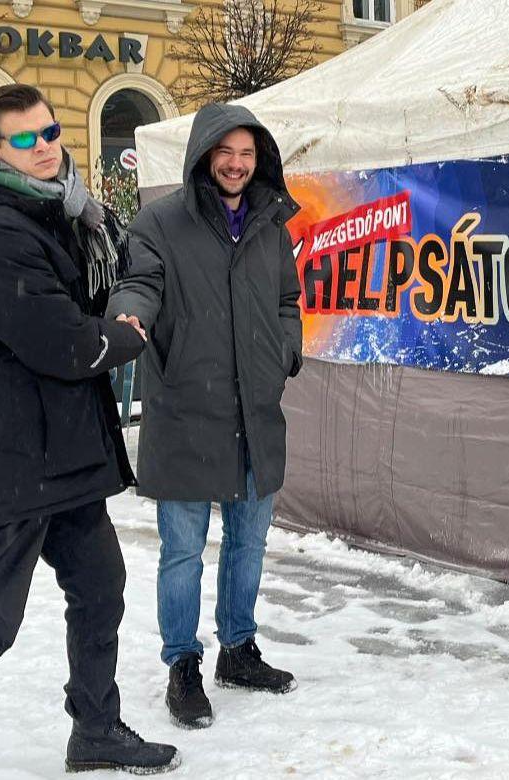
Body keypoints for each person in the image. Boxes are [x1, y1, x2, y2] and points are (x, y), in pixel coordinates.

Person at [0, 84, 179, 779]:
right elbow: (64, 344)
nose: (47, 145)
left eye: (52, 130)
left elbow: (87, 291)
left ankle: (95, 728)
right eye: (27, 138)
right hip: (12, 462)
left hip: (62, 452)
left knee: (100, 587)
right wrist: (125, 334)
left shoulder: (52, 210)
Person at [107, 102, 303, 730]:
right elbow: (140, 281)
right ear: (202, 155)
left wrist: (285, 350)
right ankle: (183, 664)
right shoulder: (161, 221)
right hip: (188, 407)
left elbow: (286, 298)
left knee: (249, 542)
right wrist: (130, 314)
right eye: (226, 152)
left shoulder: (272, 222)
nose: (237, 164)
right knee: (183, 553)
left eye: (247, 154)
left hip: (256, 408)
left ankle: (239, 650)